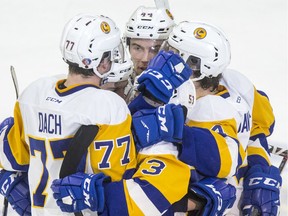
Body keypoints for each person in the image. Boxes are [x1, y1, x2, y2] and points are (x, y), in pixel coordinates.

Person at [0, 13, 193, 216]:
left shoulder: (34, 93)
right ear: (102, 63)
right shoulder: (108, 106)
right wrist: (149, 112)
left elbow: (11, 157)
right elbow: (120, 178)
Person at [140, 21, 282, 215]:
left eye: (174, 55)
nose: (165, 60)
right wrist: (260, 169)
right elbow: (262, 125)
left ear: (194, 67)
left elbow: (220, 163)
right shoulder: (237, 82)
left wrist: (258, 169)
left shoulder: (206, 109)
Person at [101, 5, 175, 103]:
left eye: (154, 50)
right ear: (127, 45)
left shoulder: (181, 91)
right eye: (137, 48)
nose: (145, 59)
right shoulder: (113, 83)